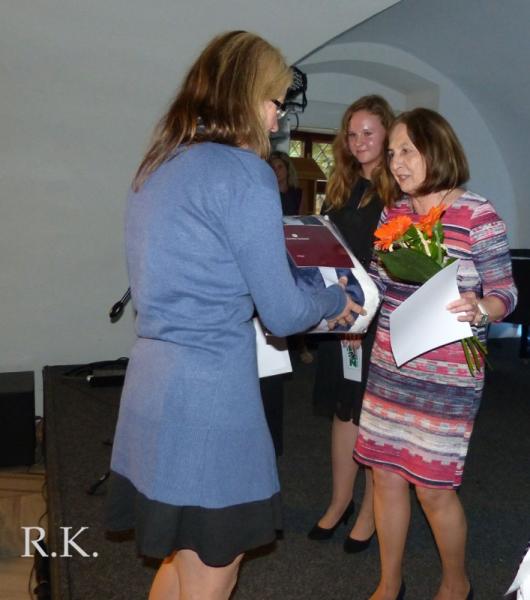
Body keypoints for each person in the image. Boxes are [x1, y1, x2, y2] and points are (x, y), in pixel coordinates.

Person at [104, 30, 362, 600]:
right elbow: (283, 313)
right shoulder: (243, 172)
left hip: (151, 385)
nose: (276, 120)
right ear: (246, 95)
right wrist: (332, 300)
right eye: (274, 103)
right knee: (213, 571)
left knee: (179, 559)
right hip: (209, 398)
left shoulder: (158, 165)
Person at [353, 108, 517, 600]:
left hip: (448, 375)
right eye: (393, 153)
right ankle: (390, 582)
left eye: (407, 150)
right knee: (385, 477)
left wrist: (481, 308)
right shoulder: (393, 215)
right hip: (391, 363)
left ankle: (455, 583)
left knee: (432, 487)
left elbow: (506, 293)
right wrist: (348, 291)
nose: (396, 163)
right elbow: (379, 285)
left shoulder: (477, 215)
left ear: (437, 149)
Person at [309, 96, 395, 553]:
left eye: (368, 133)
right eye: (352, 133)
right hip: (341, 314)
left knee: (370, 415)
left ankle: (370, 512)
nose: (359, 141)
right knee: (344, 411)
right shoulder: (343, 185)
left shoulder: (399, 189)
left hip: (378, 318)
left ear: (387, 134)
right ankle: (341, 500)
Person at [269, 151, 302, 216]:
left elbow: (302, 219)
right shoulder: (268, 193)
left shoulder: (298, 194)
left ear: (288, 169)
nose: (276, 171)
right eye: (273, 167)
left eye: (280, 167)